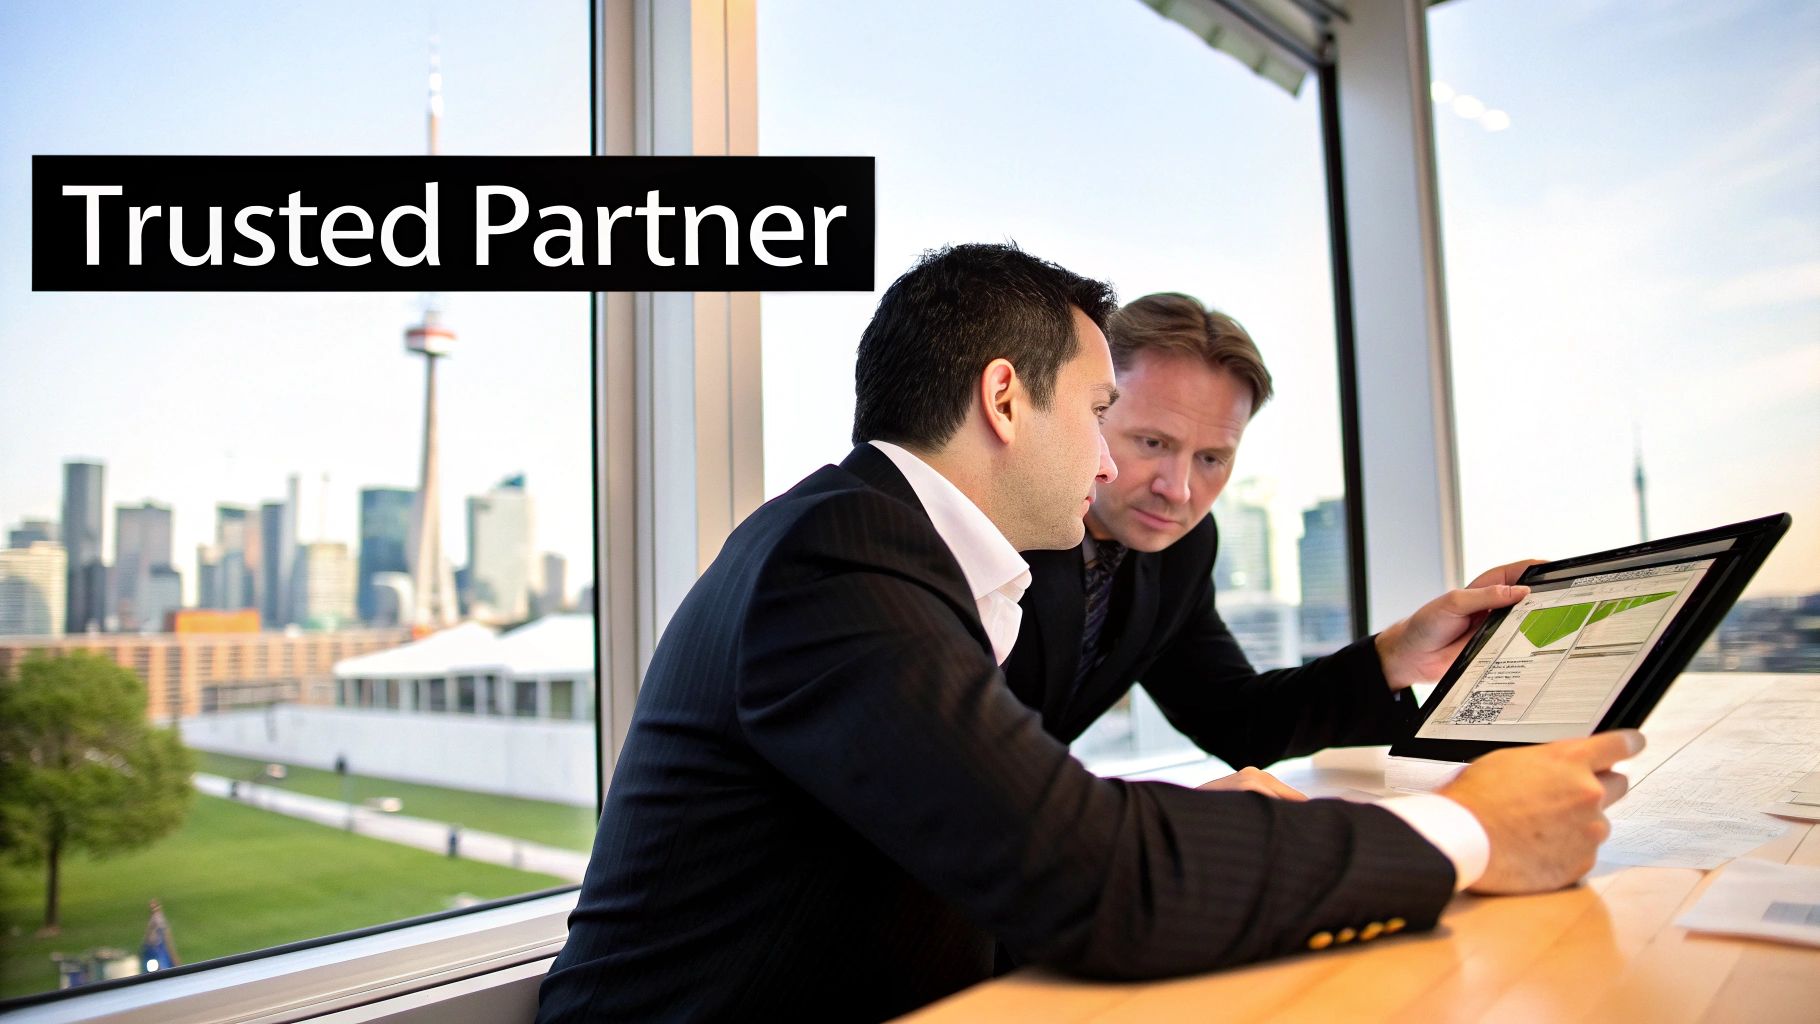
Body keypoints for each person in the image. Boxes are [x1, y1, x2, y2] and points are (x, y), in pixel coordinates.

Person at [536, 244, 1640, 1023]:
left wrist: (1378, 674)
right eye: (1102, 414)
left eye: (1209, 458)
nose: (1126, 470)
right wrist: (1468, 831)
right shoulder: (841, 562)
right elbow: (1079, 863)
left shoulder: (888, 541)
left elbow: (1061, 812)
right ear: (1006, 401)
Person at [1003, 292, 1533, 793]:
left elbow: (1236, 719)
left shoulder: (1181, 548)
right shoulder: (1003, 523)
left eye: (1211, 458)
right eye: (1152, 442)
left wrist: (1397, 653)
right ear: (1091, 414)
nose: (1178, 490)